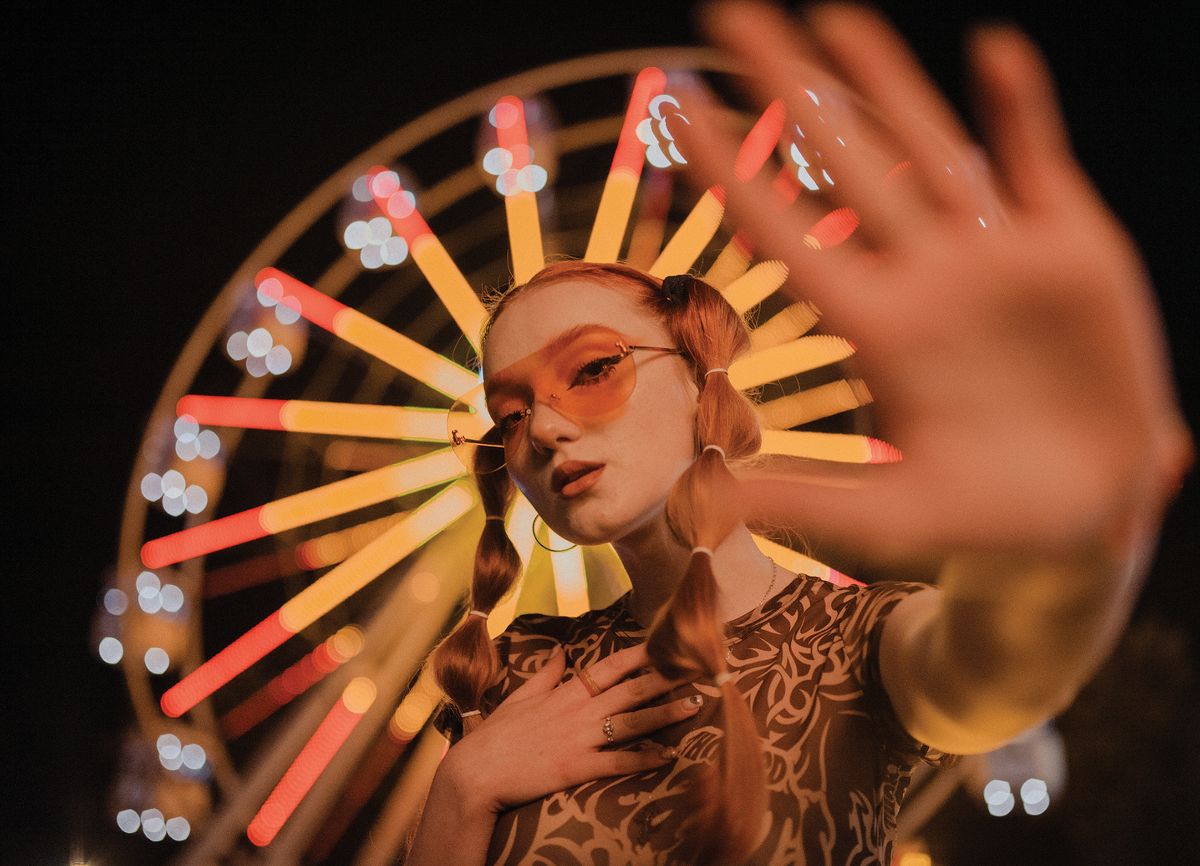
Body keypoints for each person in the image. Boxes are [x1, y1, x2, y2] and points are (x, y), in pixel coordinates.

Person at [405, 3, 1192, 864]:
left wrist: (1064, 554)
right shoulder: (522, 673)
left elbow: (997, 669)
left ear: (701, 372)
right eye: (510, 417)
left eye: (592, 371)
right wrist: (463, 786)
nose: (544, 429)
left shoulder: (857, 643)